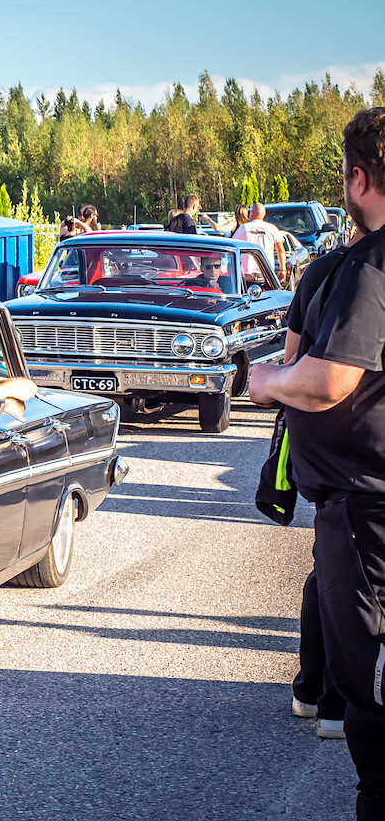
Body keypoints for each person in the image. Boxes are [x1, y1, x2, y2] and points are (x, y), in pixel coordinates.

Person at [248, 106, 385, 820]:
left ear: (358, 178)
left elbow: (329, 380)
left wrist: (267, 381)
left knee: (373, 700)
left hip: (366, 512)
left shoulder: (365, 269)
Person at [282, 224, 366, 742]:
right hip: (362, 452)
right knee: (349, 581)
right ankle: (334, 702)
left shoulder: (319, 271)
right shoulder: (366, 275)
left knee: (326, 570)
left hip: (322, 446)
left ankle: (311, 691)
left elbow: (292, 357)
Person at [233, 203, 287, 282]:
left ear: (252, 213)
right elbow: (281, 251)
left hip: (246, 273)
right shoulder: (272, 229)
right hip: (266, 272)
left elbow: (233, 247)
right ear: (264, 215)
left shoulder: (243, 228)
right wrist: (282, 269)